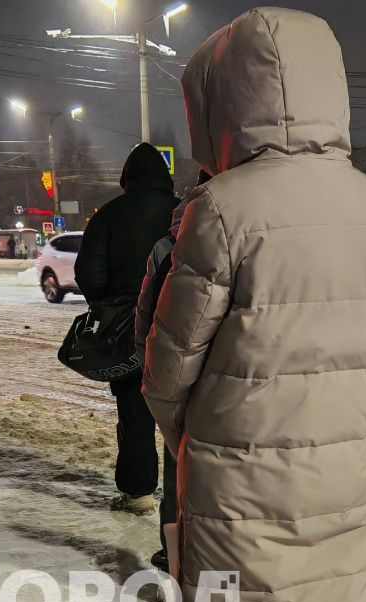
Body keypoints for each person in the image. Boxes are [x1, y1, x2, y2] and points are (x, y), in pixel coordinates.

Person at [144, 8, 366, 602]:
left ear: (222, 102)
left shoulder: (221, 208)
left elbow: (168, 374)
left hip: (239, 485)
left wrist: (199, 439)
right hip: (348, 472)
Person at [75, 142, 178, 515]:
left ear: (127, 177)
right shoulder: (186, 211)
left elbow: (88, 273)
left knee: (135, 413)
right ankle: (182, 495)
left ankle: (138, 493)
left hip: (127, 328)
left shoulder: (109, 215)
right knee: (182, 412)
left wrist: (109, 307)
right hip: (181, 322)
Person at [135, 169, 210, 573]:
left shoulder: (171, 245)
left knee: (179, 471)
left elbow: (146, 319)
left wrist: (152, 380)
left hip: (184, 386)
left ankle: (175, 552)